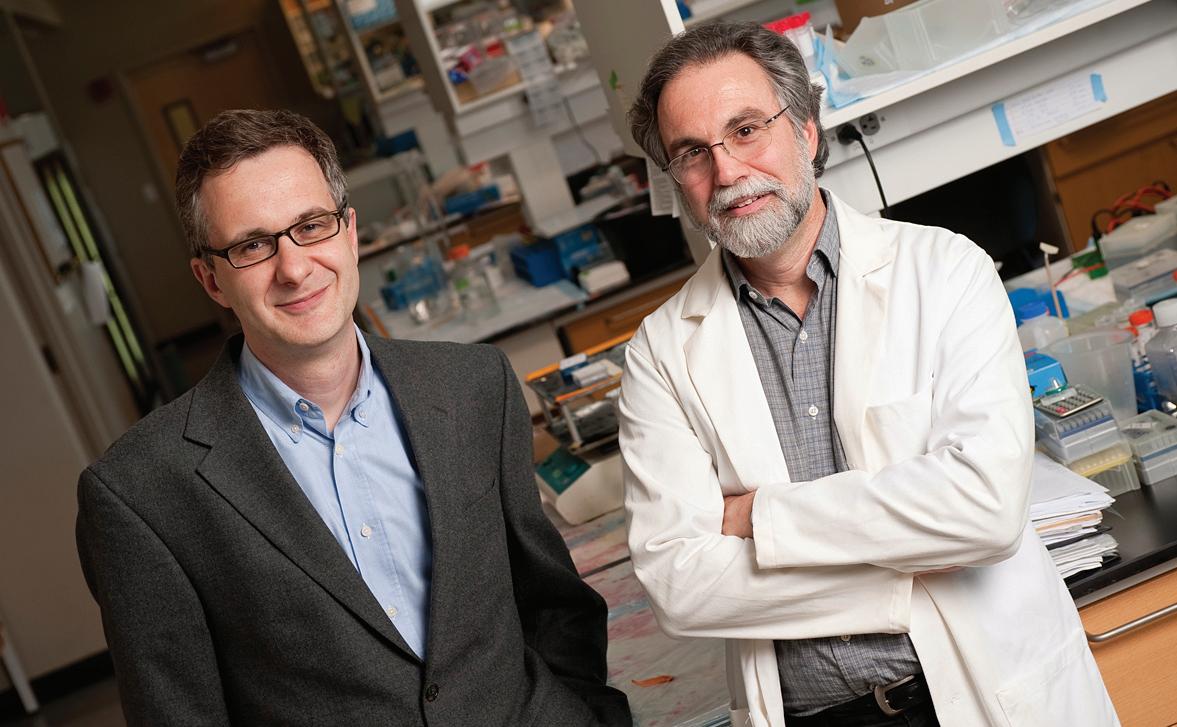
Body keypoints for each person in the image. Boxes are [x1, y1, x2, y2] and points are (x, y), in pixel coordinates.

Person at [619, 22, 1116, 727]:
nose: (726, 172)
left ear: (806, 130)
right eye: (692, 153)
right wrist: (903, 575)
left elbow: (986, 509)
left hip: (993, 692)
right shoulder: (660, 353)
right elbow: (679, 585)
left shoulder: (945, 272)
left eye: (746, 130)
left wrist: (760, 517)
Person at [75, 109, 630, 727]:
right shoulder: (140, 494)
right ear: (211, 280)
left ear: (350, 232)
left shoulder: (474, 387)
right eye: (252, 246)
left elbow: (554, 603)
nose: (294, 268)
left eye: (311, 226)